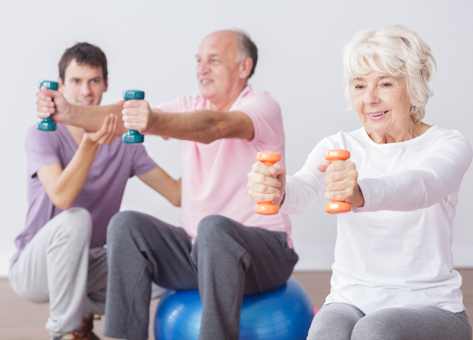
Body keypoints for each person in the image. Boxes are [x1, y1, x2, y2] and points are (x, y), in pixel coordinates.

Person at [35, 30, 297, 340]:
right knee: (126, 225)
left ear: (243, 67)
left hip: (264, 251)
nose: (202, 68)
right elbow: (122, 118)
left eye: (213, 60)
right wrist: (69, 113)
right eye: (199, 61)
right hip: (199, 250)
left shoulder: (262, 106)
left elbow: (215, 126)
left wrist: (153, 121)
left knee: (214, 228)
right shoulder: (189, 103)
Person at [248, 24, 473, 339]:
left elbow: (424, 185)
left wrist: (360, 193)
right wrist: (278, 189)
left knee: (373, 331)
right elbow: (304, 189)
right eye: (359, 86)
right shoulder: (337, 145)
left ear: (414, 85)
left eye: (385, 83)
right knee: (326, 332)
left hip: (431, 307)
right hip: (349, 300)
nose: (370, 98)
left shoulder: (448, 145)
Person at [12, 42, 181, 340]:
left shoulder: (125, 144)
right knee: (76, 219)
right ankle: (64, 332)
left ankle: (88, 314)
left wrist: (206, 144)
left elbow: (177, 194)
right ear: (62, 86)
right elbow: (62, 198)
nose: (86, 91)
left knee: (160, 258)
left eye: (94, 81)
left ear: (106, 84)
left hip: (88, 265)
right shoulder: (42, 134)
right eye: (76, 81)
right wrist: (90, 145)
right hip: (35, 270)